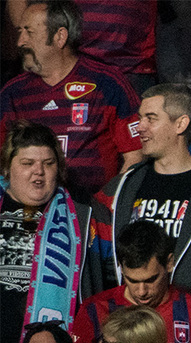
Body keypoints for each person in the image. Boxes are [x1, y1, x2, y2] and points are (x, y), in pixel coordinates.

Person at [86, 83, 191, 305]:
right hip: (133, 319)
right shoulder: (122, 186)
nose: (140, 127)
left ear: (181, 124)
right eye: (140, 118)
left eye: (151, 118)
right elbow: (99, 259)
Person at [0, 0, 140, 200]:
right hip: (28, 211)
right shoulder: (12, 93)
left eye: (29, 32)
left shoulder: (107, 84)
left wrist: (107, 204)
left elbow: (135, 155)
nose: (20, 42)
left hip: (93, 211)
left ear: (60, 37)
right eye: (20, 32)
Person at [0, 122, 88, 343]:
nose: (38, 172)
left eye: (48, 164)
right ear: (7, 168)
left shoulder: (83, 215)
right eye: (27, 163)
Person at [72, 219, 191, 343]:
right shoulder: (94, 311)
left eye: (151, 280)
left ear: (169, 263)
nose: (141, 292)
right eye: (132, 280)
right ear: (120, 267)